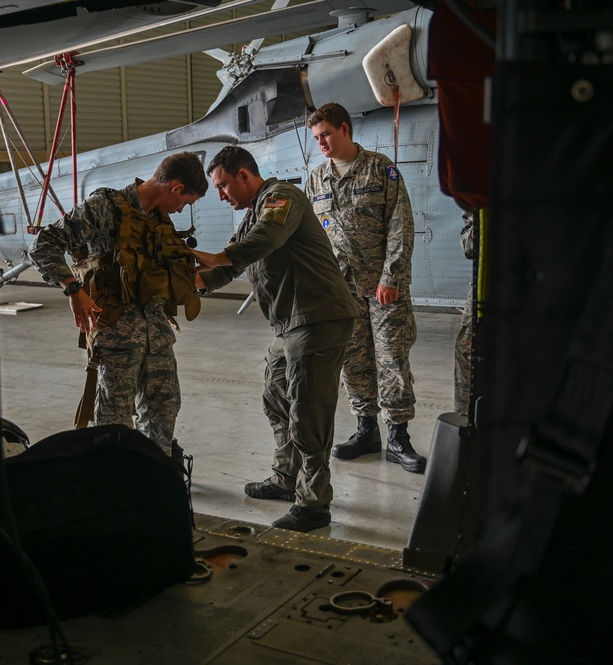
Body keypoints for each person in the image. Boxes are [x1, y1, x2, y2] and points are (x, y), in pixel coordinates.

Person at [193, 146, 357, 533]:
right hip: (291, 324)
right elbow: (232, 264)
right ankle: (287, 478)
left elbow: (263, 241)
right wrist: (189, 280)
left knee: (308, 414)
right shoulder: (253, 213)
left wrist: (213, 257)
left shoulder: (282, 198)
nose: (221, 195)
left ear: (244, 175)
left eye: (223, 186)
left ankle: (314, 504)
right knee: (276, 397)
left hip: (317, 318)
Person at [28, 152, 208, 457]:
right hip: (117, 337)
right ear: (175, 188)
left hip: (158, 334)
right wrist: (73, 289)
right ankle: (118, 483)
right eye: (185, 202)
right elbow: (43, 245)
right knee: (114, 421)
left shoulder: (158, 217)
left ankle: (154, 476)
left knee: (164, 409)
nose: (181, 210)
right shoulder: (104, 207)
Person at [305, 102, 426, 474]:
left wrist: (392, 278)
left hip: (382, 288)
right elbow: (312, 237)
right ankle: (366, 430)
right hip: (340, 291)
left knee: (391, 359)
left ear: (344, 129)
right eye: (316, 138)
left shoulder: (381, 169)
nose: (321, 143)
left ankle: (398, 437)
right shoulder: (315, 179)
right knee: (354, 362)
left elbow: (401, 226)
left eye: (325, 134)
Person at [454, 209, 477, 418]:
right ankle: (464, 418)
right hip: (489, 281)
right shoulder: (483, 194)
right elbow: (468, 248)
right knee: (466, 350)